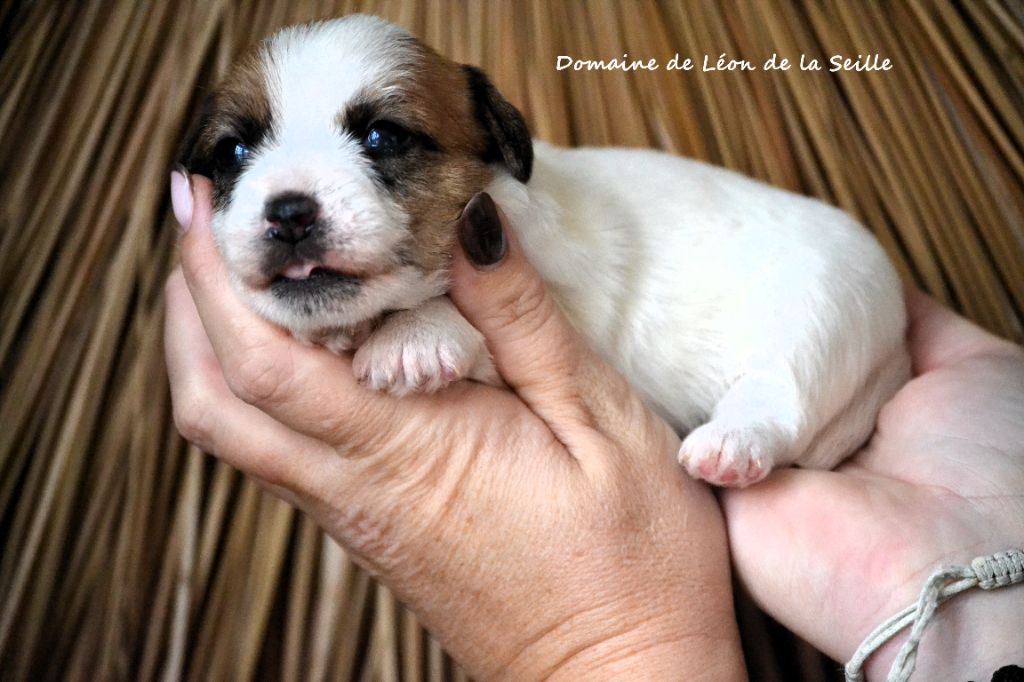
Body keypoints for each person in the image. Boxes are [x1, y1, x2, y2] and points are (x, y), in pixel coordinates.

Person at [165, 173, 1024, 680]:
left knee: (807, 316)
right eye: (237, 158)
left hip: (803, 281)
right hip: (866, 458)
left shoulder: (525, 211)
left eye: (385, 145)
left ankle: (770, 412)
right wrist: (974, 570)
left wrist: (606, 650)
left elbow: (555, 318)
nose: (283, 200)